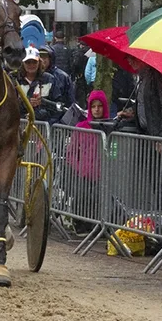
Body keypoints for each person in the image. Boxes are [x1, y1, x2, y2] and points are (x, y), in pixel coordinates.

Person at [118, 57, 162, 147]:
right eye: (128, 57)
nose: (129, 61)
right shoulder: (143, 77)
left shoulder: (159, 76)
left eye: (133, 58)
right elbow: (148, 105)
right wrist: (132, 113)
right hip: (150, 136)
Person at [65, 90, 109, 233]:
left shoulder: (110, 128)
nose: (96, 110)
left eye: (100, 106)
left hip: (102, 175)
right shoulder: (81, 127)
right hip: (82, 174)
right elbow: (71, 152)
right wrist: (79, 168)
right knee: (82, 196)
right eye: (93, 106)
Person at [17, 47, 63, 123]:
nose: (31, 65)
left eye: (34, 62)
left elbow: (59, 106)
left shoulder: (50, 79)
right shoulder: (16, 80)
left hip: (45, 127)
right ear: (22, 63)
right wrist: (26, 103)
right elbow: (10, 106)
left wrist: (43, 102)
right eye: (28, 62)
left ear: (39, 62)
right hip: (21, 126)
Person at [38, 45, 75, 110]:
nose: (42, 60)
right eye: (39, 57)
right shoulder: (31, 75)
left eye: (44, 57)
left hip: (58, 116)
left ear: (50, 59)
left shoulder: (62, 77)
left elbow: (70, 101)